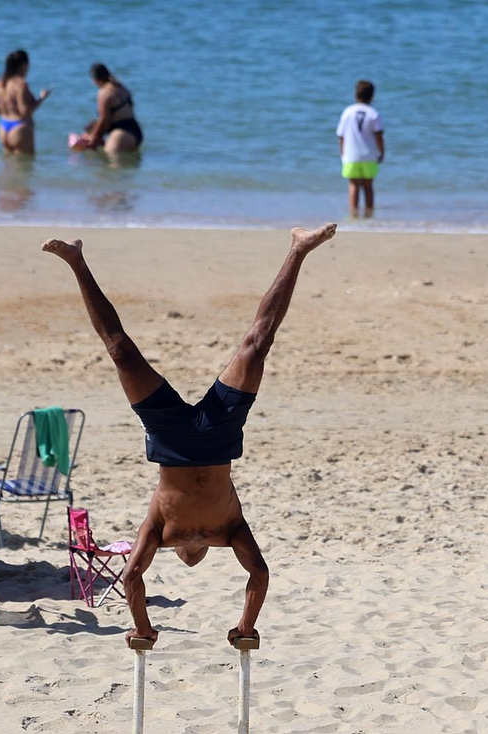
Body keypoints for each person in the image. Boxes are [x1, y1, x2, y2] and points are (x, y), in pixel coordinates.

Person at [41, 223, 338, 645]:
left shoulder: (161, 531)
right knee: (256, 345)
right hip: (219, 436)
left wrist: (143, 627)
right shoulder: (227, 531)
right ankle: (300, 248)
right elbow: (259, 572)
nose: (192, 555)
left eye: (186, 555)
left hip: (170, 440)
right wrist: (246, 625)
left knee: (121, 352)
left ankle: (75, 259)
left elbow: (131, 575)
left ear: (179, 552)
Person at [336, 80, 385, 217]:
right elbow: (379, 135)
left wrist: (342, 153)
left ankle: (354, 214)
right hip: (369, 154)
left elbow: (340, 135)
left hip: (351, 154)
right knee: (368, 186)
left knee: (353, 185)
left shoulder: (348, 112)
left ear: (356, 94)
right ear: (372, 96)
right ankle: (369, 215)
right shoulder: (373, 113)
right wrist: (381, 152)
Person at [0, 48, 50, 155]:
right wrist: (42, 98)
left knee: (7, 168)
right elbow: (25, 111)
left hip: (3, 127)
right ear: (24, 66)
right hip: (20, 128)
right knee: (26, 169)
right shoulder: (20, 84)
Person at [77, 63, 143, 154]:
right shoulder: (121, 87)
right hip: (135, 130)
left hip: (121, 135)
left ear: (94, 80)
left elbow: (105, 120)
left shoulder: (104, 92)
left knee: (109, 165)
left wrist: (93, 136)